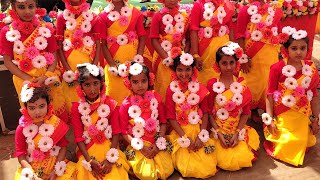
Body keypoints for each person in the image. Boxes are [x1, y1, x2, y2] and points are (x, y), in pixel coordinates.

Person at [0, 0, 68, 122]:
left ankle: (56, 139)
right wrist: (30, 79)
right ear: (14, 8)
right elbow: (8, 62)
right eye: (21, 7)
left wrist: (46, 76)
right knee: (33, 115)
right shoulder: (7, 32)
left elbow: (53, 57)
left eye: (31, 6)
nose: (27, 11)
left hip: (46, 78)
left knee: (52, 114)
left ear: (36, 6)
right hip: (23, 80)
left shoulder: (46, 28)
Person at [263, 28, 320, 166]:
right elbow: (269, 94)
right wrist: (269, 119)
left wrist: (315, 119)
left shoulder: (310, 68)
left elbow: (314, 95)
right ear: (286, 49)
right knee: (287, 143)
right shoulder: (276, 68)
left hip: (302, 112)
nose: (299, 52)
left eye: (303, 48)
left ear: (308, 48)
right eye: (294, 48)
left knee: (301, 141)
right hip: (283, 111)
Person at [71, 63, 129, 179]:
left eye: (95, 83)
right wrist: (90, 161)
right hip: (86, 150)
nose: (92, 89)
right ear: (81, 87)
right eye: (87, 85)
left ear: (102, 84)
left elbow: (116, 132)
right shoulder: (76, 107)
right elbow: (78, 138)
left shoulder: (110, 103)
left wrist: (110, 158)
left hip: (108, 146)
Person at [207, 43, 260, 171]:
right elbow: (208, 112)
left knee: (240, 158)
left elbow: (246, 113)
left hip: (236, 129)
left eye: (231, 62)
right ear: (217, 65)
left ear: (237, 63)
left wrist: (237, 133)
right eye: (224, 63)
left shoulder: (242, 84)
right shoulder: (212, 84)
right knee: (223, 160)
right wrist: (218, 133)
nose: (228, 67)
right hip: (217, 131)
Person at [166, 52, 217, 178]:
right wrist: (185, 138)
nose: (184, 74)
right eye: (180, 70)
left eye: (188, 69)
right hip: (180, 132)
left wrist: (201, 136)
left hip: (197, 130)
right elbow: (171, 117)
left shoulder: (199, 87)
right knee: (187, 167)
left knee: (207, 165)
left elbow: (205, 112)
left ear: (193, 69)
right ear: (174, 70)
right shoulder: (170, 89)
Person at [119, 62, 174, 179]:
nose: (140, 85)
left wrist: (158, 143)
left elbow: (163, 122)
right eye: (135, 82)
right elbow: (124, 132)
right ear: (129, 83)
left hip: (156, 141)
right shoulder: (126, 104)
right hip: (137, 145)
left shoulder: (156, 98)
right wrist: (141, 147)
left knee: (167, 169)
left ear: (149, 81)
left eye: (143, 81)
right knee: (147, 175)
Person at [15, 84, 76, 179]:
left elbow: (63, 147)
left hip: (55, 164)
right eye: (32, 108)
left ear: (48, 105)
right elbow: (21, 155)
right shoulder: (21, 128)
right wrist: (32, 174)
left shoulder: (55, 123)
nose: (37, 112)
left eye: (41, 106)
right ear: (25, 108)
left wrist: (56, 170)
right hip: (32, 167)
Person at [235, 0, 283, 120]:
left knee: (267, 81)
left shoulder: (275, 9)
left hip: (270, 53)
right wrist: (243, 59)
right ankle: (248, 111)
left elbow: (277, 30)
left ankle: (267, 112)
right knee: (251, 82)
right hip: (251, 56)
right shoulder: (245, 9)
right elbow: (239, 35)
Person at [56, 0, 101, 113]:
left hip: (89, 61)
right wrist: (67, 69)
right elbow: (59, 45)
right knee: (72, 96)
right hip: (70, 64)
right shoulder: (62, 17)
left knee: (90, 92)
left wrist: (94, 66)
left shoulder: (92, 17)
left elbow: (98, 42)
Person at [99, 0, 146, 104]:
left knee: (133, 99)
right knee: (114, 98)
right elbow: (102, 44)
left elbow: (142, 37)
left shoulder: (135, 12)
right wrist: (113, 65)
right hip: (113, 65)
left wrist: (137, 61)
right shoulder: (103, 16)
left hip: (132, 62)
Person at [150, 0, 190, 99]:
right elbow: (154, 40)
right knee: (164, 85)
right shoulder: (157, 16)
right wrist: (167, 58)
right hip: (162, 57)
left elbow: (189, 38)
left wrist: (186, 56)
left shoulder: (184, 16)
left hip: (180, 57)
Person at [190, 0, 234, 85]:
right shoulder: (199, 4)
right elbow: (193, 29)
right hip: (205, 49)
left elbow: (230, 28)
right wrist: (195, 54)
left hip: (224, 45)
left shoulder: (226, 4)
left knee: (223, 72)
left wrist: (234, 48)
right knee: (206, 76)